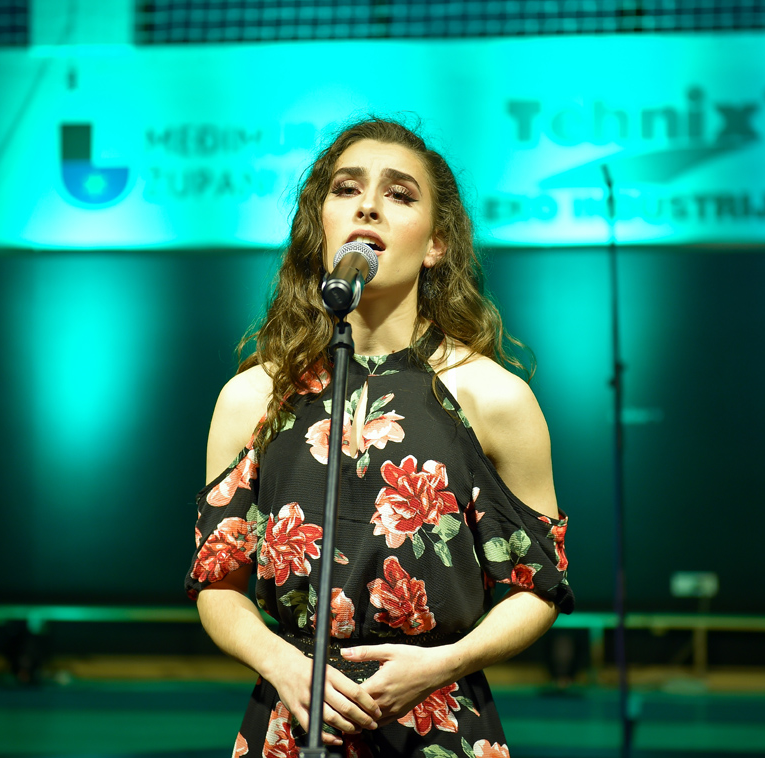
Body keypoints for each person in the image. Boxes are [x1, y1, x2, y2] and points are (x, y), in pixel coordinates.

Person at [186, 117, 575, 758]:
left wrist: (446, 662)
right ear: (320, 229)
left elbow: (537, 587)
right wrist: (285, 665)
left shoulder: (494, 398)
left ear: (436, 244)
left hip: (437, 720)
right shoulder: (253, 397)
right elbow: (217, 583)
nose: (368, 205)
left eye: (399, 194)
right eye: (346, 189)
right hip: (295, 717)